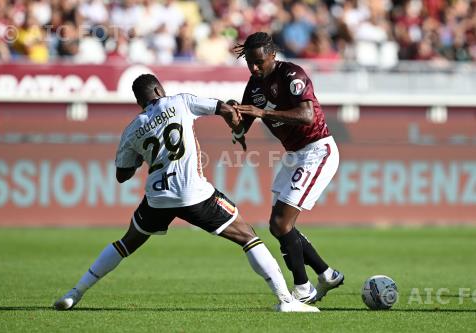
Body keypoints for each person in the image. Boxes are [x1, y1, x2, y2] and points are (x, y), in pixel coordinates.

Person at [53, 74, 319, 313]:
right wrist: (234, 120)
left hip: (157, 198)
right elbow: (222, 107)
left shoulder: (132, 130)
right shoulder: (180, 101)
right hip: (194, 193)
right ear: (159, 89)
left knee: (125, 244)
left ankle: (75, 293)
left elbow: (122, 176)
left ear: (139, 101)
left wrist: (139, 157)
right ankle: (286, 300)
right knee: (248, 237)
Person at [230, 32, 344, 304]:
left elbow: (307, 116)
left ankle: (303, 290)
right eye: (249, 62)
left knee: (281, 223)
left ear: (272, 56)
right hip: (295, 155)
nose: (254, 68)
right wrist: (233, 116)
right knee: (278, 225)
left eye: (259, 62)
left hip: (318, 149)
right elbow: (242, 124)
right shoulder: (255, 85)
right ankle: (327, 274)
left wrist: (264, 113)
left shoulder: (292, 74)